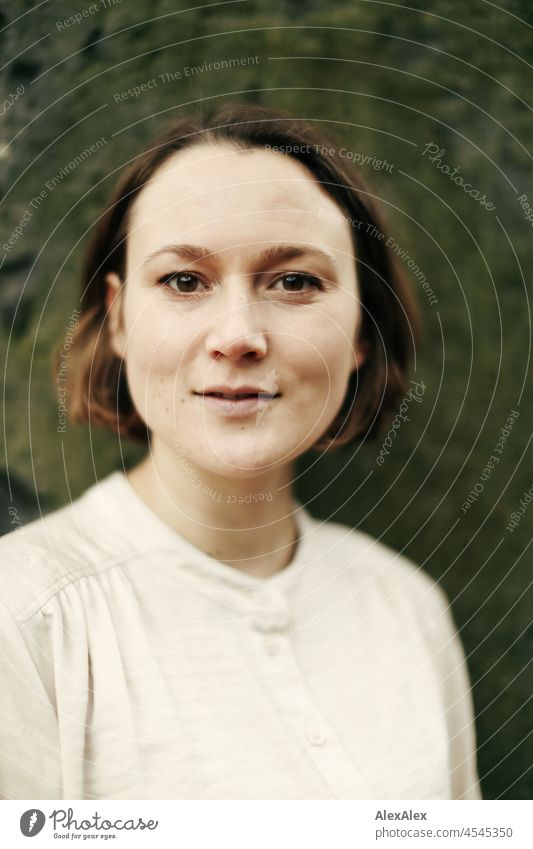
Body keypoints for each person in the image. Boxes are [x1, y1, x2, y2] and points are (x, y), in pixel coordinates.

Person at [0, 102, 481, 800]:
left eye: (294, 281)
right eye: (183, 281)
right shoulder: (24, 613)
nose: (238, 335)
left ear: (359, 334)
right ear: (120, 319)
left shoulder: (405, 605)